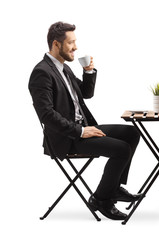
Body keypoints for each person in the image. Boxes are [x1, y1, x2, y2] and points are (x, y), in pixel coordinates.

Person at [29, 21, 142, 221]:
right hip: (66, 137)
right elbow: (46, 114)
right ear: (56, 44)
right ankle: (102, 199)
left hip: (81, 129)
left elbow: (85, 94)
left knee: (132, 133)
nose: (76, 47)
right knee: (122, 149)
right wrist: (81, 132)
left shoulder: (64, 69)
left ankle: (113, 189)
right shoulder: (42, 73)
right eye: (71, 43)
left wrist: (88, 71)